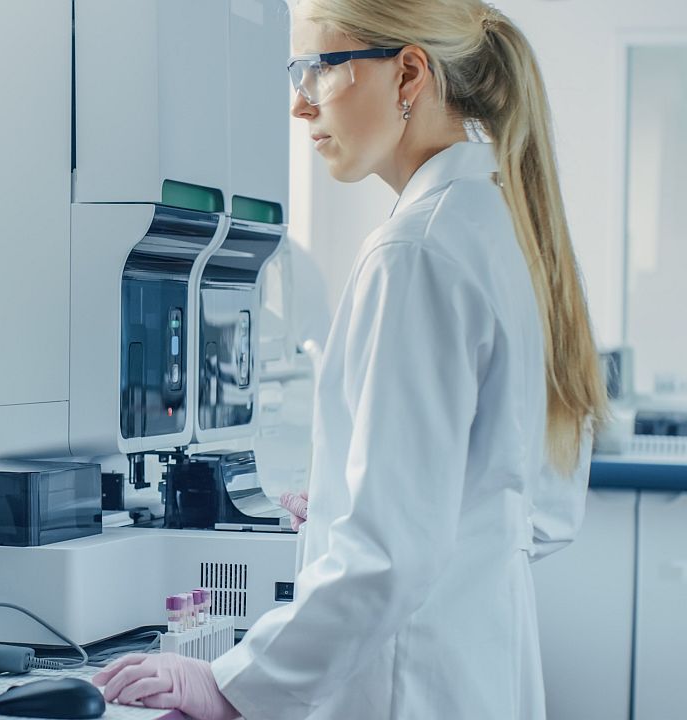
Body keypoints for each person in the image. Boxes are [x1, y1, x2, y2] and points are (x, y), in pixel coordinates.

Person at [92, 1, 607, 718]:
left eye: (319, 70)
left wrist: (231, 682)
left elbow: (388, 558)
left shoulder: (414, 253)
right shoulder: (508, 228)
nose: (301, 105)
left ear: (408, 74)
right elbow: (540, 513)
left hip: (409, 690)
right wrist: (351, 506)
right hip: (480, 677)